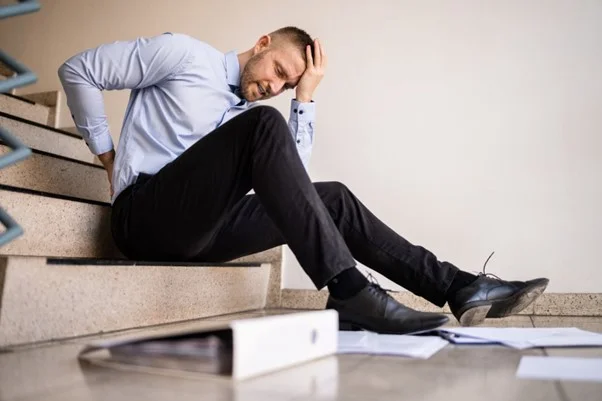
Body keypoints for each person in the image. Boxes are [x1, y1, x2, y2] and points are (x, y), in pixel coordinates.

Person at [58, 27, 549, 334]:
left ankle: (457, 286)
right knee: (262, 125)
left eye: (285, 85)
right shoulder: (184, 55)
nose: (274, 87)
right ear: (262, 43)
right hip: (141, 218)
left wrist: (305, 97)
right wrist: (106, 157)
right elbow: (79, 69)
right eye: (277, 73)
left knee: (330, 198)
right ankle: (349, 288)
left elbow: (294, 185)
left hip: (198, 232)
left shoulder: (246, 116)